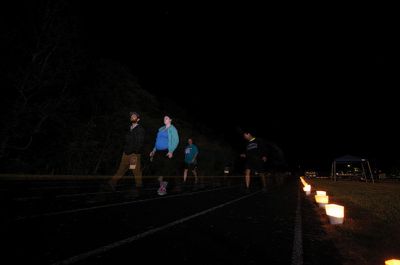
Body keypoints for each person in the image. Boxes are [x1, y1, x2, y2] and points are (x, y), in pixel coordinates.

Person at [109, 112, 145, 194]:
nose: (132, 117)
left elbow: (140, 143)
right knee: (121, 170)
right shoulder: (129, 128)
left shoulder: (140, 129)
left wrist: (133, 152)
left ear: (138, 119)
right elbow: (125, 141)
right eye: (131, 116)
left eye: (134, 116)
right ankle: (112, 184)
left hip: (133, 155)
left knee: (135, 171)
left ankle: (139, 189)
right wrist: (125, 150)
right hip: (125, 154)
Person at [150, 115, 179, 195]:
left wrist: (171, 151)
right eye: (164, 118)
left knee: (166, 170)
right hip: (158, 151)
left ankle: (163, 188)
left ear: (170, 120)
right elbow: (157, 140)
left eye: (166, 118)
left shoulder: (172, 129)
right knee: (158, 169)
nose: (164, 119)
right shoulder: (161, 129)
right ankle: (162, 183)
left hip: (166, 151)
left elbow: (176, 140)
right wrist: (153, 150)